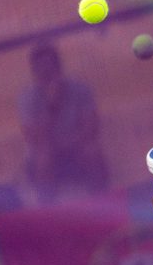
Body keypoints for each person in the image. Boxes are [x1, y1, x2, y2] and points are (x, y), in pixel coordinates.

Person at [18, 41, 109, 203]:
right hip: (47, 152)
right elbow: (35, 138)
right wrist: (51, 106)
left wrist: (71, 142)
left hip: (77, 146)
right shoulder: (28, 98)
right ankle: (48, 210)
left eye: (50, 67)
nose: (46, 73)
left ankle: (103, 202)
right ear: (35, 71)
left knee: (91, 151)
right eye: (41, 69)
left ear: (58, 67)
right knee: (43, 158)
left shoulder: (80, 89)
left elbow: (91, 127)